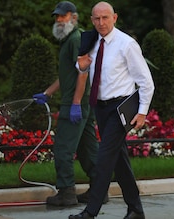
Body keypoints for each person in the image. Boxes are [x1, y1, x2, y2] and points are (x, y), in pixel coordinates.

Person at [69, 2, 154, 219]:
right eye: (97, 19)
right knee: (119, 161)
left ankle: (91, 212)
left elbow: (146, 82)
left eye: (105, 18)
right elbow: (82, 67)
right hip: (101, 107)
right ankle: (136, 210)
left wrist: (142, 112)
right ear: (91, 20)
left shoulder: (127, 44)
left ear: (114, 18)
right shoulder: (91, 40)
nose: (101, 23)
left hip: (120, 109)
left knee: (104, 158)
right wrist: (82, 65)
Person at [33, 1, 104, 206]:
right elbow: (68, 74)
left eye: (62, 16)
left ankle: (66, 193)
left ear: (73, 17)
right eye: (56, 17)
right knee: (87, 149)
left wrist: (74, 103)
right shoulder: (70, 40)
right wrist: (47, 93)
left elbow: (83, 73)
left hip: (76, 104)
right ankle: (99, 190)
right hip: (83, 104)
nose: (58, 20)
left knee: (63, 149)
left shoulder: (76, 39)